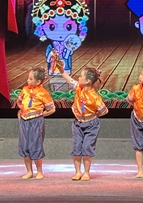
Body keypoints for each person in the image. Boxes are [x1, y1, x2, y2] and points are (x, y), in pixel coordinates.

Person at [53, 50, 108, 180]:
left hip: (91, 124)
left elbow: (104, 110)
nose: (78, 78)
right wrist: (60, 67)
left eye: (81, 76)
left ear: (88, 81)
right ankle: (78, 172)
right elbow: (67, 78)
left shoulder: (94, 97)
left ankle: (86, 172)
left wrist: (92, 116)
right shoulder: (79, 88)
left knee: (87, 148)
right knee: (77, 147)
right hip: (78, 123)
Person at [16, 66, 56, 179]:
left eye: (30, 79)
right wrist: (21, 110)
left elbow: (52, 109)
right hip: (24, 121)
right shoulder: (25, 90)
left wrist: (40, 114)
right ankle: (29, 171)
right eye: (28, 78)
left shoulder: (43, 93)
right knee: (24, 145)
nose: (27, 80)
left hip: (36, 122)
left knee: (35, 145)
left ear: (38, 81)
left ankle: (39, 171)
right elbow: (19, 102)